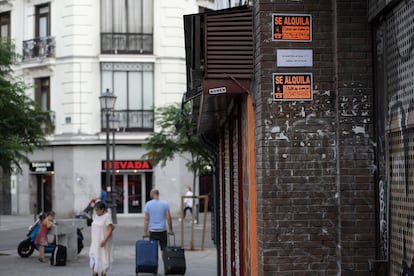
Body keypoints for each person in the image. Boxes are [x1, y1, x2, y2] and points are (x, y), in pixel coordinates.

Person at [89, 201, 114, 276]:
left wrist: (104, 240)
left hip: (103, 242)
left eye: (97, 210)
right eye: (95, 210)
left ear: (102, 209)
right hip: (95, 242)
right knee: (94, 261)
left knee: (103, 262)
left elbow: (110, 229)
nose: (96, 211)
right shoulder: (95, 216)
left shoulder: (107, 216)